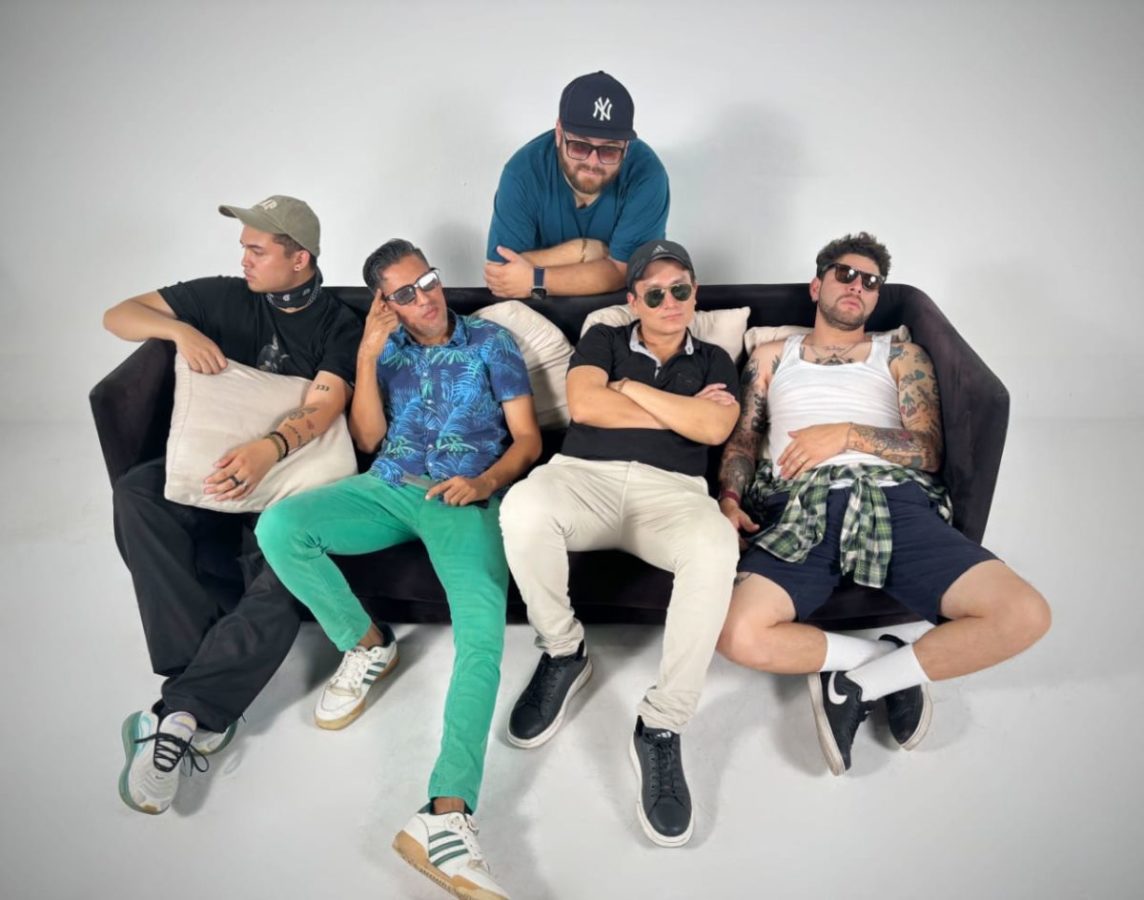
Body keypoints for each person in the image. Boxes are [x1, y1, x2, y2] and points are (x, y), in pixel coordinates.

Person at [256, 239, 540, 900]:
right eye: (406, 293)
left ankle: (446, 812)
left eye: (429, 281)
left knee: (481, 635)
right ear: (386, 303)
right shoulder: (385, 350)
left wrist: (484, 482)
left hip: (461, 496)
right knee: (280, 527)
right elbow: (366, 439)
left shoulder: (491, 342)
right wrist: (366, 350)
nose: (426, 297)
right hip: (387, 488)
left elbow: (527, 439)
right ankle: (367, 644)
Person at [715, 231, 1051, 775]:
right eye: (846, 274)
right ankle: (885, 660)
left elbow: (928, 450)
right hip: (800, 506)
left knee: (1025, 614)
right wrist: (729, 499)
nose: (858, 287)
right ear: (817, 285)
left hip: (892, 498)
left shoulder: (900, 355)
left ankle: (858, 685)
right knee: (736, 633)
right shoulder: (771, 356)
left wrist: (845, 434)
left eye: (871, 282)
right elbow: (743, 441)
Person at [103, 195, 361, 813]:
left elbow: (324, 404)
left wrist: (269, 449)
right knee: (137, 491)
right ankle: (196, 683)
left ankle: (181, 714)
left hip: (290, 478)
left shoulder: (339, 326)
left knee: (290, 575)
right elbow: (117, 315)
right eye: (243, 247)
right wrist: (179, 330)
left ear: (299, 259)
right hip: (217, 469)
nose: (243, 258)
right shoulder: (223, 295)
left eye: (257, 250)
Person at [499, 239, 740, 847]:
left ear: (695, 293)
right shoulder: (603, 337)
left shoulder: (715, 357)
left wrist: (627, 389)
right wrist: (680, 412)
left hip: (673, 495)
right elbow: (585, 404)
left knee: (716, 547)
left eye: (680, 289)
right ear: (633, 301)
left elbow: (715, 427)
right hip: (584, 478)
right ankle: (564, 652)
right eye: (654, 294)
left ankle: (661, 724)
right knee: (523, 506)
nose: (669, 302)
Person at [484, 70, 669, 299]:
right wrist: (581, 251)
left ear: (626, 146)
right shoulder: (523, 172)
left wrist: (535, 278)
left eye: (609, 150)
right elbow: (501, 273)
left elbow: (626, 271)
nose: (593, 163)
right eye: (580, 146)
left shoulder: (647, 174)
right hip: (537, 303)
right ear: (559, 133)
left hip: (621, 304)